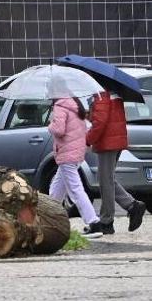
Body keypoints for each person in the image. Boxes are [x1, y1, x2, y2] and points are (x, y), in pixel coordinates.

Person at [86, 90, 146, 234]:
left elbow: (100, 121)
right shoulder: (113, 93)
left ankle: (106, 221)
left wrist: (87, 139)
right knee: (107, 179)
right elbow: (104, 116)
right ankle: (132, 206)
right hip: (115, 139)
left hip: (108, 142)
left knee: (105, 181)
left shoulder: (101, 94)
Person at [46, 94, 103, 237]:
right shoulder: (75, 104)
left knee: (75, 190)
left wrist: (50, 124)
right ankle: (49, 221)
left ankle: (94, 223)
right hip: (76, 153)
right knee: (56, 190)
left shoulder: (60, 106)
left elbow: (58, 130)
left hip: (67, 154)